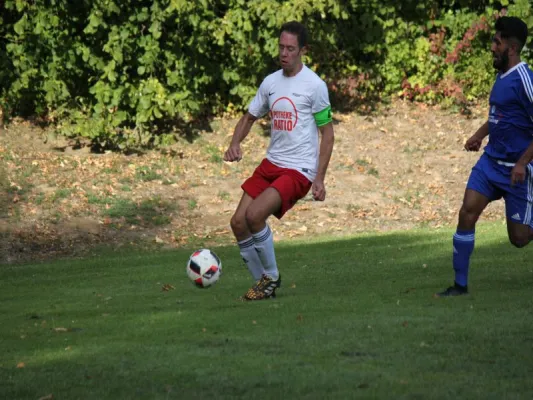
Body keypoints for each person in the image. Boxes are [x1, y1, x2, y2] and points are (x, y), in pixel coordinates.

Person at [223, 21, 335, 300]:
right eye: (281, 47)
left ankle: (271, 277)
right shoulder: (270, 83)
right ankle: (263, 286)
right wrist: (235, 143)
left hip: (299, 169)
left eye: (290, 49)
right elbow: (250, 116)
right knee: (238, 223)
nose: (284, 53)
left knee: (254, 215)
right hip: (271, 163)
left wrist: (319, 178)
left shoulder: (315, 86)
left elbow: (327, 134)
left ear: (302, 51)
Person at [436, 16, 533, 297]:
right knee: (467, 212)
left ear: (511, 48)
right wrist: (479, 135)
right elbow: (499, 117)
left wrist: (523, 162)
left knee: (519, 239)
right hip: (490, 163)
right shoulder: (501, 76)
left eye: (496, 41)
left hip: (517, 170)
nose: (492, 46)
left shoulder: (526, 80)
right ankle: (460, 286)